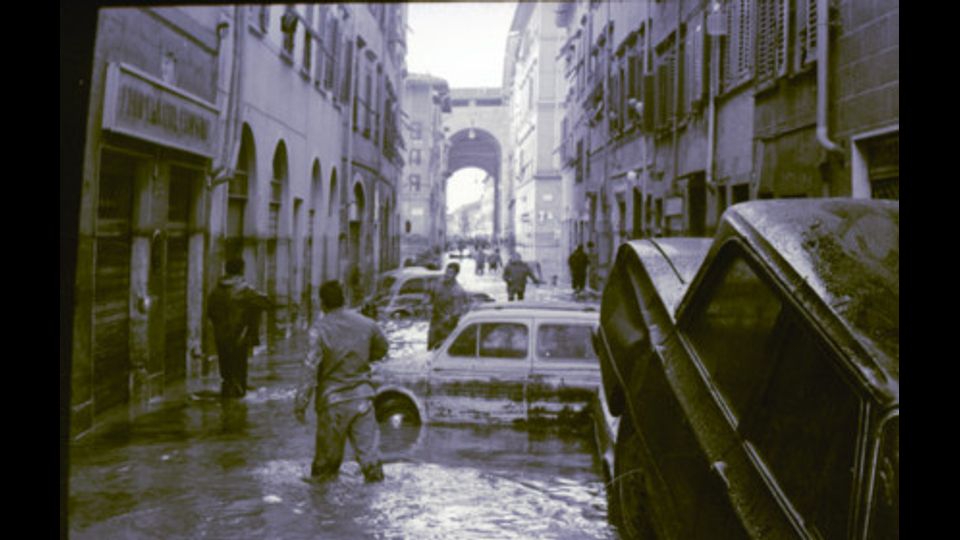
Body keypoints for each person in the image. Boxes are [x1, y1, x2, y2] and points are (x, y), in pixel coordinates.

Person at [294, 280, 389, 483]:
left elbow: (309, 369)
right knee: (372, 466)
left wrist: (301, 403)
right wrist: (362, 358)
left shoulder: (318, 330)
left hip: (333, 403)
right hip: (363, 400)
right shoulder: (367, 324)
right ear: (344, 299)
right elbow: (382, 349)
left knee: (324, 470)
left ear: (322, 303)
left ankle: (326, 512)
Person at [206, 257, 271, 398]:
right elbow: (266, 303)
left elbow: (210, 312)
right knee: (239, 369)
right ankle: (237, 405)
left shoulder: (216, 290)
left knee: (226, 370)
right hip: (239, 336)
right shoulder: (244, 289)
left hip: (220, 335)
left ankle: (228, 398)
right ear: (242, 270)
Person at [427, 262, 470, 350]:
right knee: (430, 349)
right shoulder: (438, 284)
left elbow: (457, 312)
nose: (447, 274)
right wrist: (428, 306)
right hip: (435, 323)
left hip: (447, 327)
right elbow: (429, 295)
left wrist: (449, 318)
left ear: (456, 274)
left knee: (442, 350)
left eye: (450, 273)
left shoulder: (457, 291)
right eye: (446, 271)